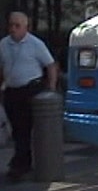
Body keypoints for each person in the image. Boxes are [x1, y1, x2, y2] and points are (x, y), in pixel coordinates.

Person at [0, 11, 57, 182]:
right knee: (17, 129)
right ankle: (22, 161)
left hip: (30, 89)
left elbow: (51, 65)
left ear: (26, 27)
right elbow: (2, 67)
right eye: (11, 25)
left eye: (18, 25)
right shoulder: (3, 44)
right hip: (11, 90)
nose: (13, 29)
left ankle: (20, 164)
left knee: (24, 128)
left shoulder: (35, 44)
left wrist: (51, 89)